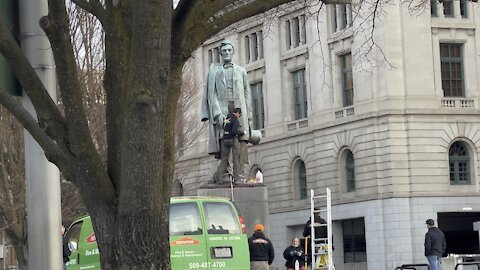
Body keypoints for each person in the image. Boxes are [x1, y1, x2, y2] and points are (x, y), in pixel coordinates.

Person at [200, 39, 252, 183]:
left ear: (233, 52)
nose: (227, 53)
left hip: (239, 110)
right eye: (224, 51)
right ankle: (225, 173)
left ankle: (239, 174)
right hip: (223, 110)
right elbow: (213, 94)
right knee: (224, 141)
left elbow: (247, 94)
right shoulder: (215, 72)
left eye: (229, 50)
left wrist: (249, 117)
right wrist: (217, 113)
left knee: (240, 141)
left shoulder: (241, 71)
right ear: (221, 54)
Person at [216, 108, 245, 183]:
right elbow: (234, 131)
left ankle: (219, 178)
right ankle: (237, 178)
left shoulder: (227, 119)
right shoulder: (235, 120)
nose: (239, 116)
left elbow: (224, 127)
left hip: (224, 140)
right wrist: (241, 133)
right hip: (232, 140)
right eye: (240, 115)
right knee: (236, 159)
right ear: (238, 113)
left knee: (224, 160)